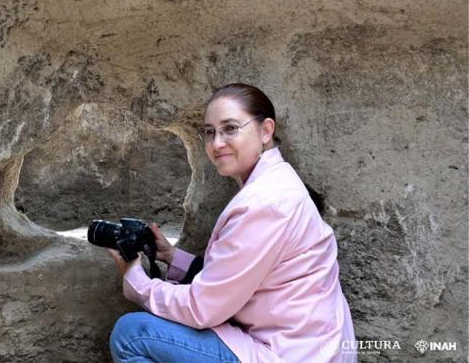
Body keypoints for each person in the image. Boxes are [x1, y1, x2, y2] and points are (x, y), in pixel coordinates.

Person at [106, 83, 357, 362]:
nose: (216, 143)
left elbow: (203, 308)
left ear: (265, 130)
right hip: (304, 344)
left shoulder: (265, 202)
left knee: (133, 335)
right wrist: (172, 256)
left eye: (230, 129)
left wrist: (135, 277)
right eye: (210, 132)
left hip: (291, 354)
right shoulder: (275, 182)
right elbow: (236, 278)